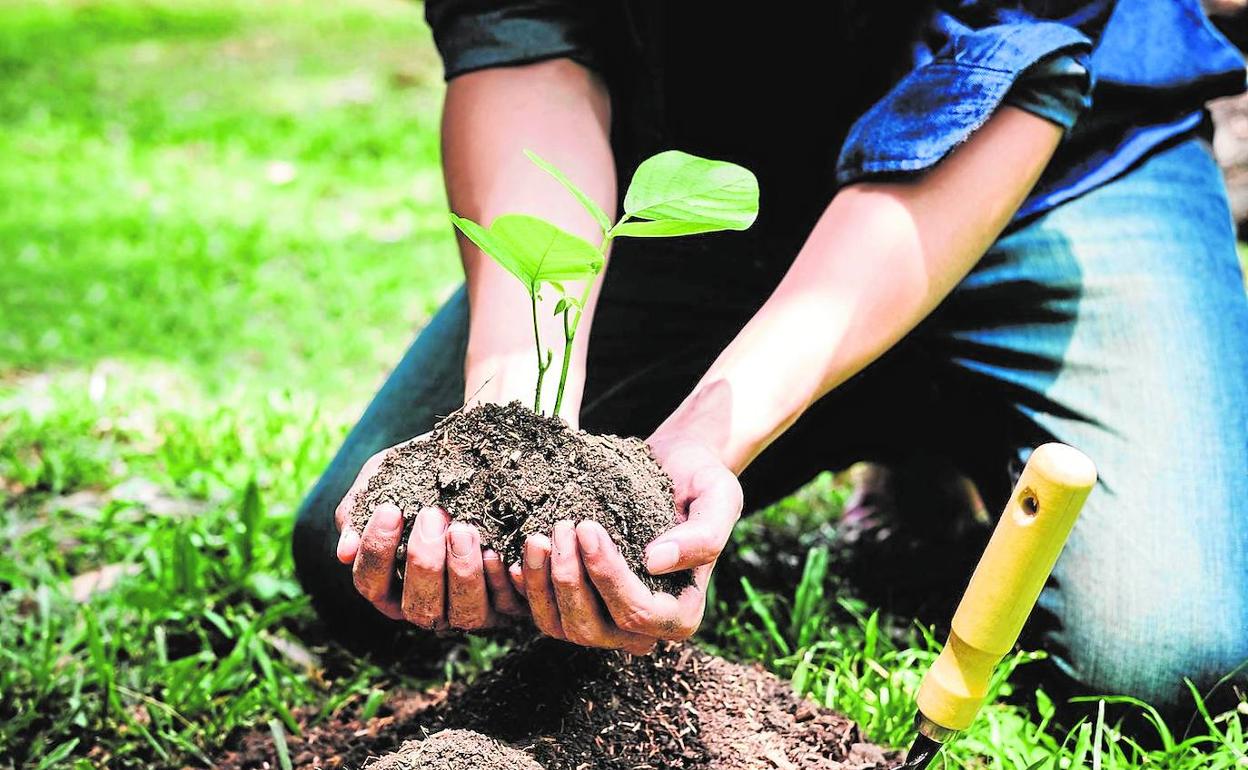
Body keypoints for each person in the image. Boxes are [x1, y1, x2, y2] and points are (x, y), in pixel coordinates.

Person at [293, 1, 1248, 715]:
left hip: (1056, 170)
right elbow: (526, 39)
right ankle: (892, 414)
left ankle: (930, 419)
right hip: (711, 194)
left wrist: (722, 423)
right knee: (363, 558)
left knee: (1167, 663)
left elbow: (1003, 61)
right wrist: (505, 431)